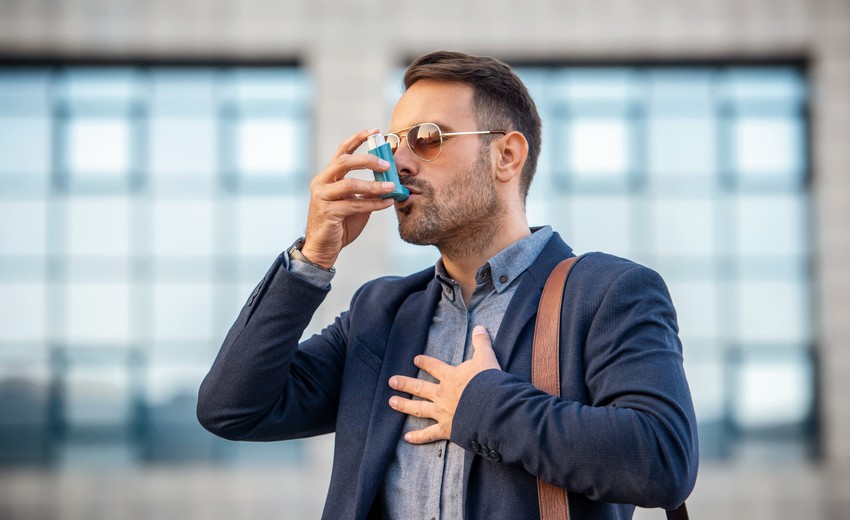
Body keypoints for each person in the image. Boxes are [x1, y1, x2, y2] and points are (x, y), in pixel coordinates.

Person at [197, 50, 698, 519]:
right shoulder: (383, 312)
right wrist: (314, 256)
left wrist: (482, 405)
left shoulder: (608, 292)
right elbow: (233, 409)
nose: (401, 163)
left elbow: (662, 458)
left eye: (428, 138)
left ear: (506, 155)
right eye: (392, 145)